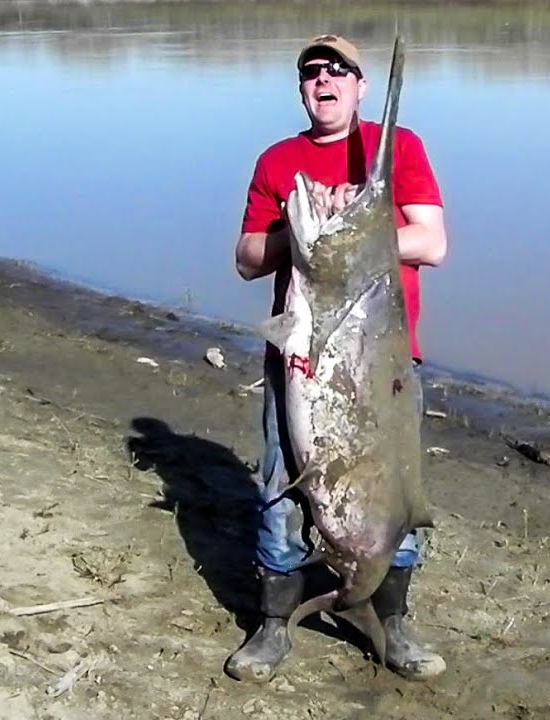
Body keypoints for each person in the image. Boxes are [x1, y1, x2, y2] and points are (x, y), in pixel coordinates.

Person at [226, 34, 449, 683]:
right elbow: (244, 258)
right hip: (301, 360)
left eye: (337, 70)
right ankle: (271, 626)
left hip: (387, 365)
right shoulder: (279, 162)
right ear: (302, 89)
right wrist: (302, 243)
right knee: (280, 485)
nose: (323, 79)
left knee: (396, 494)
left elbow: (432, 241)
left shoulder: (398, 147)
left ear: (358, 84)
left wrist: (345, 237)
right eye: (311, 72)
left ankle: (392, 622)